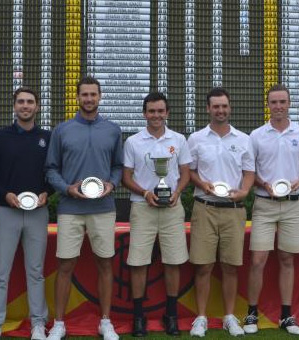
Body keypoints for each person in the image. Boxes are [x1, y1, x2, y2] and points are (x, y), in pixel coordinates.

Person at [45, 76, 123, 340]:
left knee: (105, 264)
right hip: (69, 208)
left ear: (100, 97)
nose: (89, 99)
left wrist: (112, 184)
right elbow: (51, 169)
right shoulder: (62, 130)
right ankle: (58, 323)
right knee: (65, 265)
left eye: (93, 94)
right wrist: (67, 188)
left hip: (103, 208)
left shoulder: (113, 130)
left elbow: (118, 166)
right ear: (77, 98)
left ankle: (105, 321)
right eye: (84, 95)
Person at [243, 84, 299, 335]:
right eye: (274, 102)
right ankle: (251, 314)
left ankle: (286, 315)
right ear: (268, 104)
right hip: (264, 203)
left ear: (289, 103)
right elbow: (250, 172)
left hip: (293, 205)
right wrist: (263, 184)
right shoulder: (256, 135)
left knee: (287, 260)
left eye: (282, 102)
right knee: (258, 260)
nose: (278, 107)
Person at [0, 87, 52, 340]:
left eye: (30, 102)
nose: (25, 106)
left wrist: (47, 192)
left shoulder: (47, 137)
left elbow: (53, 172)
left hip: (38, 213)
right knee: (0, 272)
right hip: (6, 211)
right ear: (14, 106)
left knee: (35, 270)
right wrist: (6, 195)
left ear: (37, 107)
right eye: (21, 102)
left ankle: (37, 323)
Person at [187, 87, 255, 337]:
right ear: (208, 109)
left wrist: (245, 191)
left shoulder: (243, 139)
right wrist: (201, 183)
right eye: (216, 106)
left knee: (230, 267)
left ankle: (229, 317)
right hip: (205, 207)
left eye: (224, 106)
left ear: (230, 108)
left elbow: (249, 172)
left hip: (234, 210)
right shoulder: (195, 139)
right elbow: (190, 171)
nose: (220, 110)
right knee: (203, 266)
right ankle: (201, 317)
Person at [122, 92, 191, 337]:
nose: (156, 115)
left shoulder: (179, 140)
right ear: (144, 113)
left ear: (167, 113)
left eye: (160, 111)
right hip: (143, 207)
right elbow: (126, 178)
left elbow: (185, 174)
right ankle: (138, 317)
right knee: (138, 262)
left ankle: (171, 314)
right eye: (151, 111)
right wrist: (145, 192)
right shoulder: (132, 142)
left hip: (172, 207)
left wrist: (177, 193)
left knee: (173, 261)